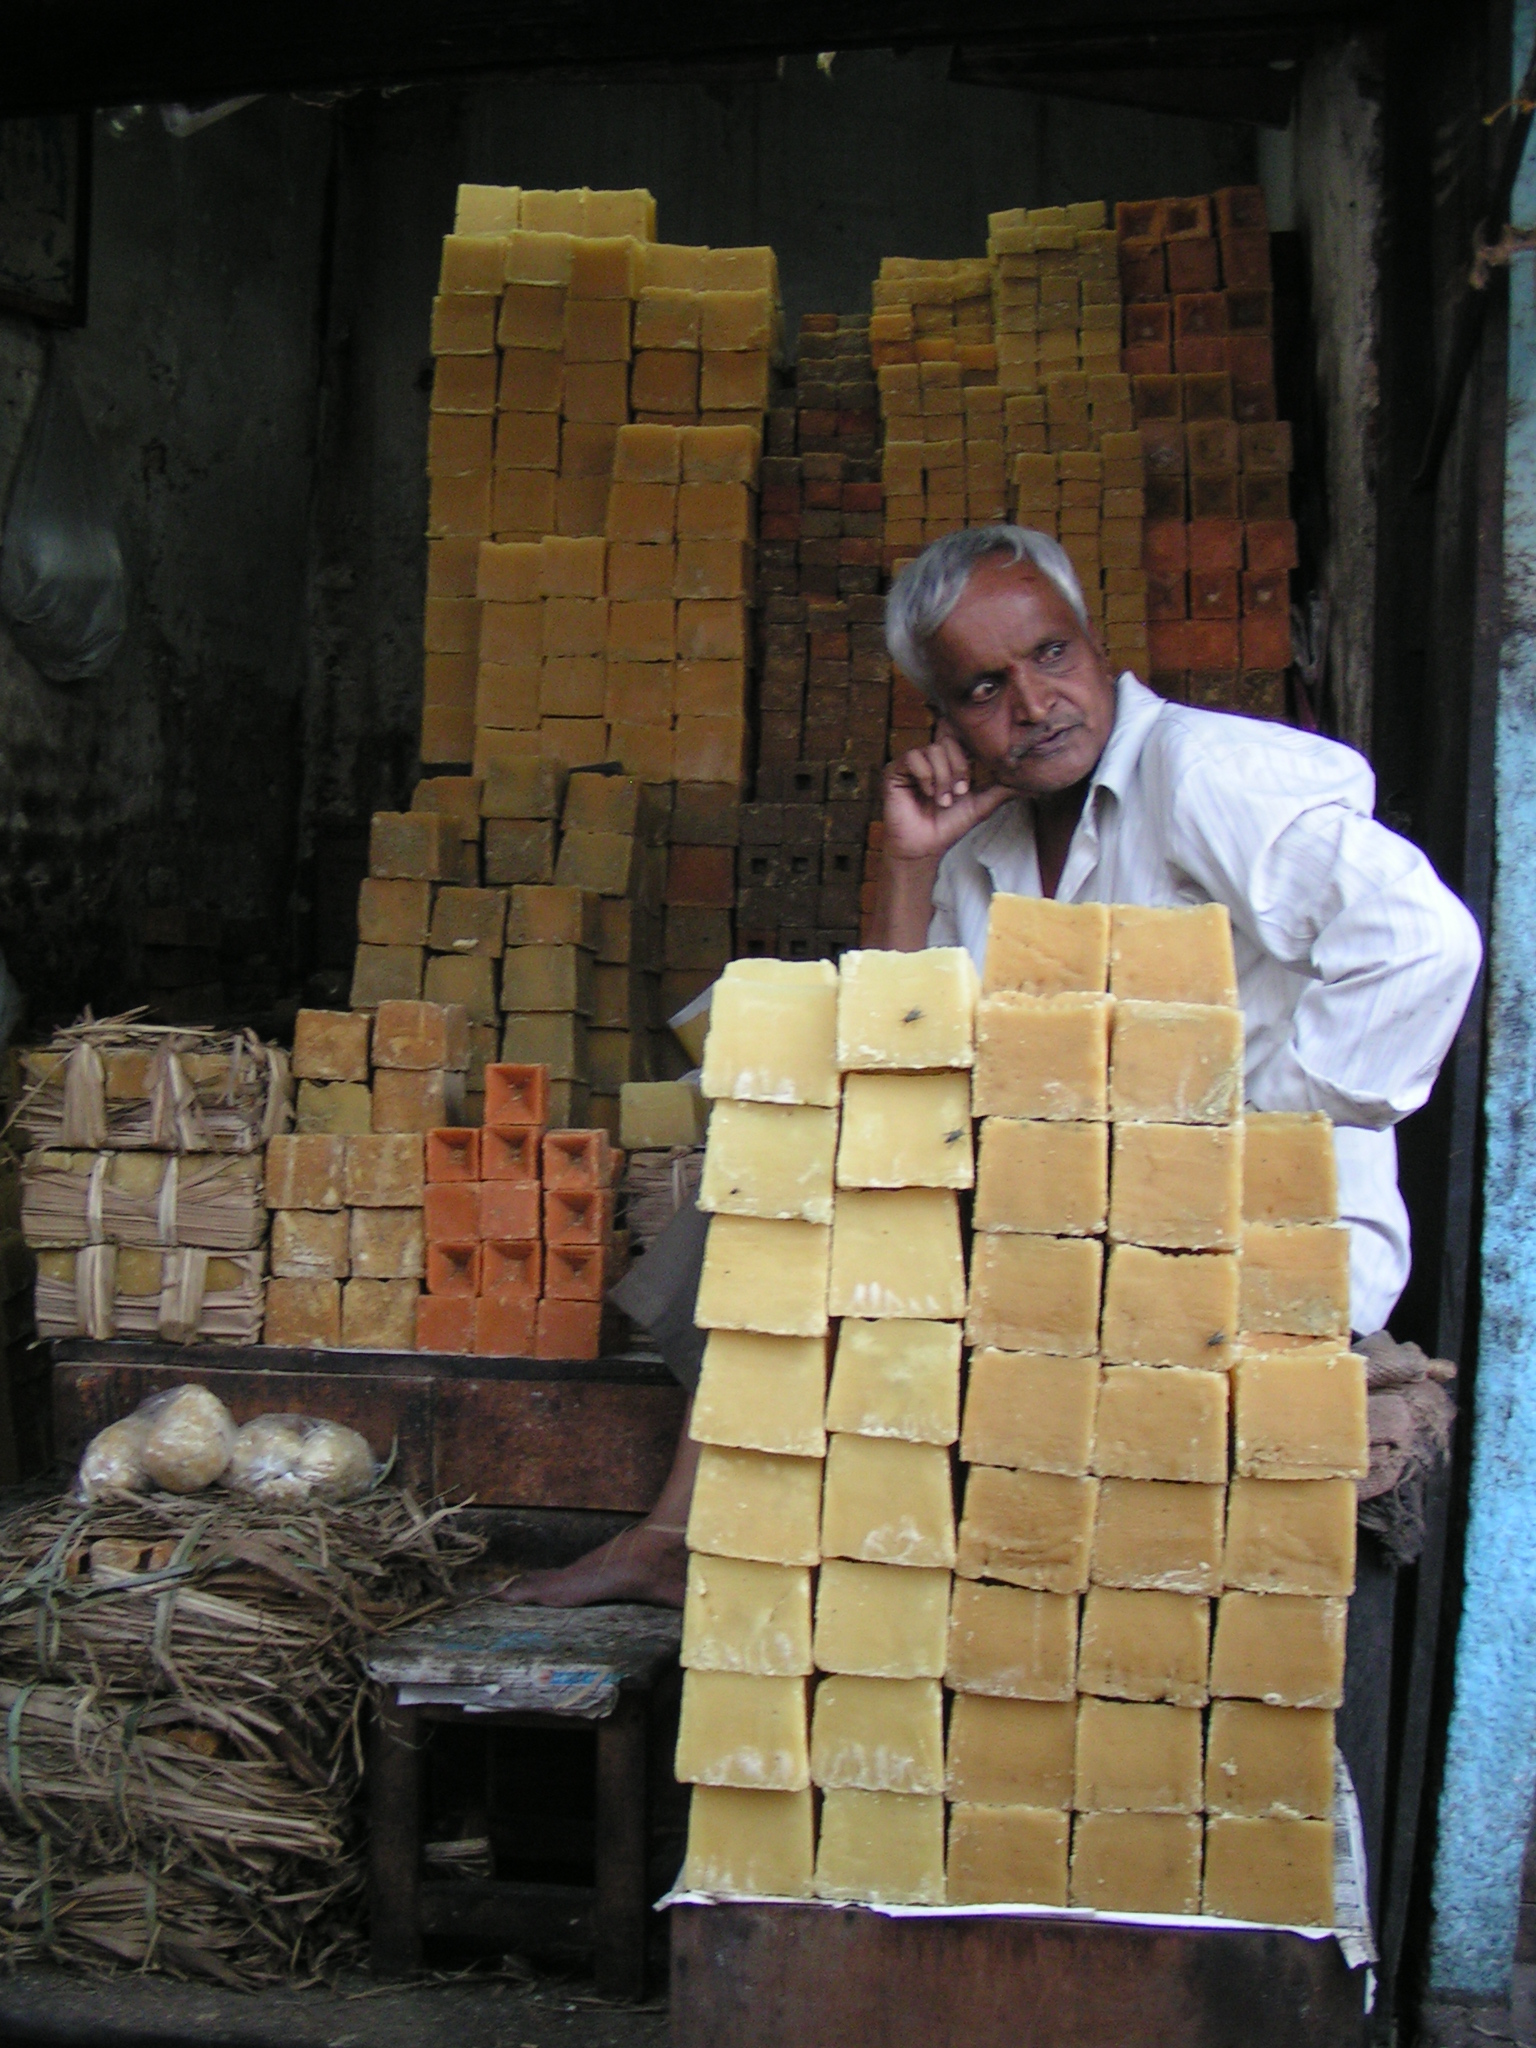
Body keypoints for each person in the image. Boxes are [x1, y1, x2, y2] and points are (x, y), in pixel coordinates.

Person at [498, 523, 1482, 1610]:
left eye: (1051, 655)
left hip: (1252, 1241)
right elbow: (899, 1067)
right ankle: (677, 1537)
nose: (1033, 702)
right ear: (945, 716)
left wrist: (1249, 1130)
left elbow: (1421, 945)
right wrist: (912, 863)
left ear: (1096, 645)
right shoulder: (989, 847)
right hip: (1065, 1223)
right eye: (984, 686)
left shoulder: (1209, 774)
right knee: (791, 1182)